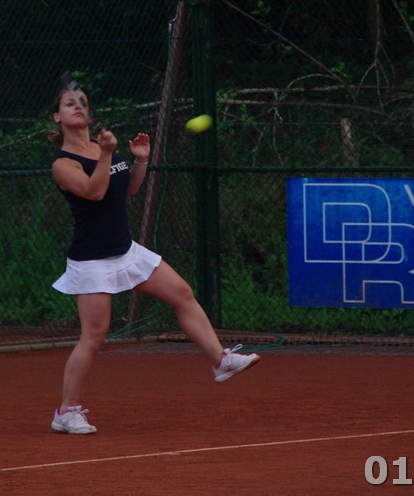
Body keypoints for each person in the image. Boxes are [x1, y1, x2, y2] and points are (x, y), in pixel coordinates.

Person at [47, 88, 259, 434]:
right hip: (92, 261)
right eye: (69, 103)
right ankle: (66, 412)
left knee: (182, 293)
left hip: (126, 251)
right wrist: (107, 153)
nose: (77, 106)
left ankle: (220, 360)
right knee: (94, 337)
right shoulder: (64, 164)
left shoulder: (102, 147)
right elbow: (95, 192)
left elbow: (127, 189)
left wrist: (140, 160)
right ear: (57, 117)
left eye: (82, 101)